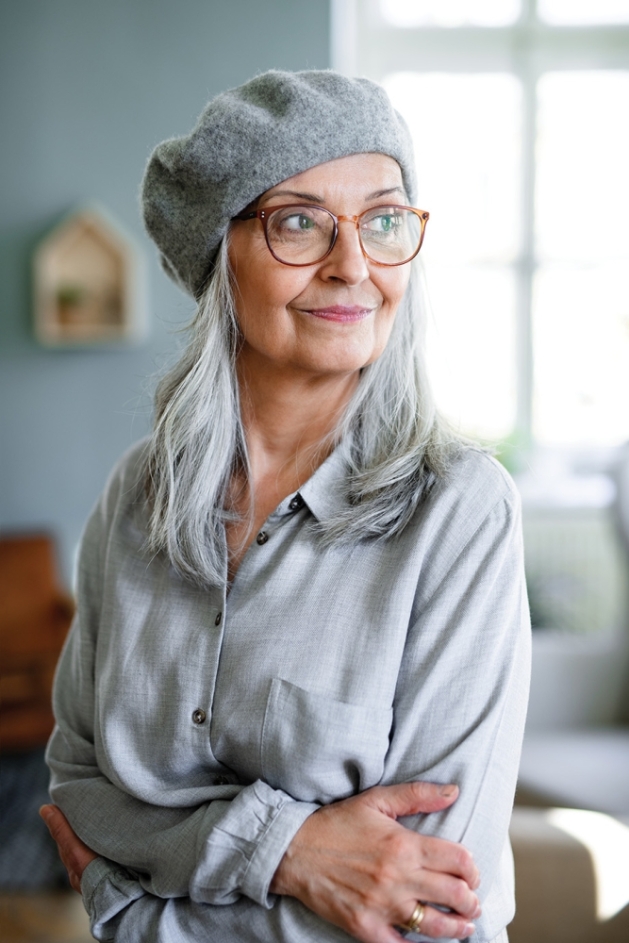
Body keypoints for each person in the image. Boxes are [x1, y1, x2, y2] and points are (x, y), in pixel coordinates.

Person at [41, 70, 530, 943]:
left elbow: (431, 909)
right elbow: (81, 787)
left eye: (382, 221)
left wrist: (137, 911)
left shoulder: (460, 511)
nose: (352, 265)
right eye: (298, 222)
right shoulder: (133, 499)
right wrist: (293, 849)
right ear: (215, 252)